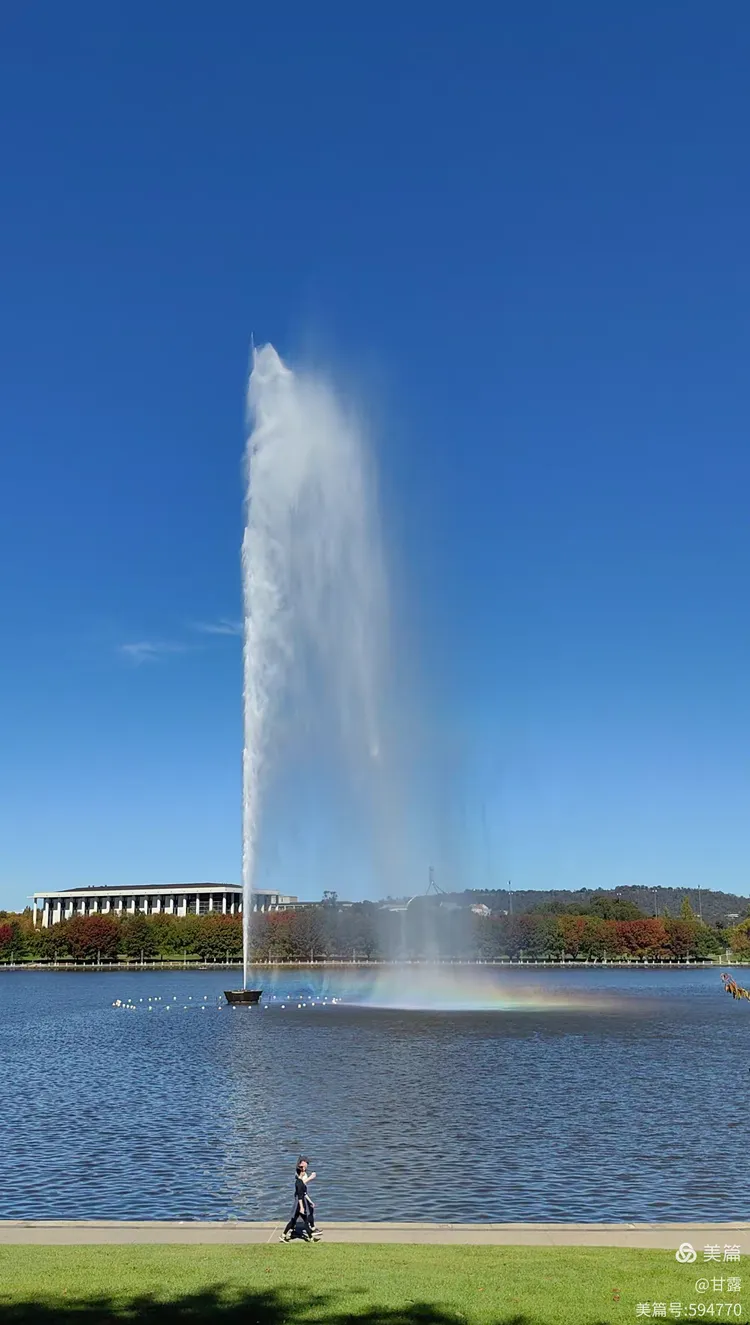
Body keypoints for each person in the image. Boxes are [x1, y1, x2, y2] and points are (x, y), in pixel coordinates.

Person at [280, 1159, 320, 1242]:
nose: (304, 1171)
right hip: (298, 1204)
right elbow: (300, 1196)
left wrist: (310, 1202)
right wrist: (301, 1207)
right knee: (300, 1221)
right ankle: (311, 1238)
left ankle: (283, 1235)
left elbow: (304, 1193)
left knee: (297, 1220)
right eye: (303, 1170)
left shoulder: (300, 1182)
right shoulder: (299, 1183)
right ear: (300, 1173)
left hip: (300, 1204)